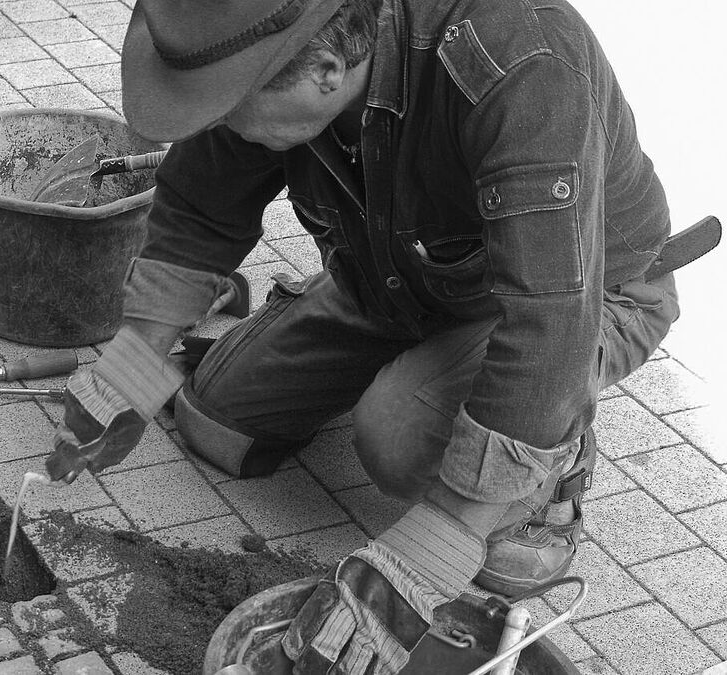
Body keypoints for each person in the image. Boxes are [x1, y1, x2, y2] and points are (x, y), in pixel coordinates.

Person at [45, 0, 693, 671]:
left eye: (225, 107)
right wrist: (136, 354)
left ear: (326, 70)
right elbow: (201, 203)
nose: (214, 124)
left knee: (399, 437)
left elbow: (547, 323)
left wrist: (440, 537)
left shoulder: (521, 63)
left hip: (581, 292)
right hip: (394, 273)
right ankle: (423, 370)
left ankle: (551, 466)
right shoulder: (274, 39)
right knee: (215, 419)